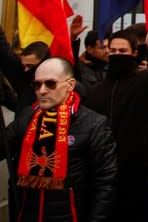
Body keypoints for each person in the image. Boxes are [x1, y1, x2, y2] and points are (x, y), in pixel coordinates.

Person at [3, 57, 117, 221]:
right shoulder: (27, 117)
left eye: (50, 84)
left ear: (70, 85)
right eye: (37, 85)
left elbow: (105, 183)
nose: (42, 90)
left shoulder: (93, 124)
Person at [83, 27, 148, 221]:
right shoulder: (96, 90)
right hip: (100, 169)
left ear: (135, 53)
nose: (117, 55)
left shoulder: (143, 82)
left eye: (123, 51)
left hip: (135, 169)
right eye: (113, 51)